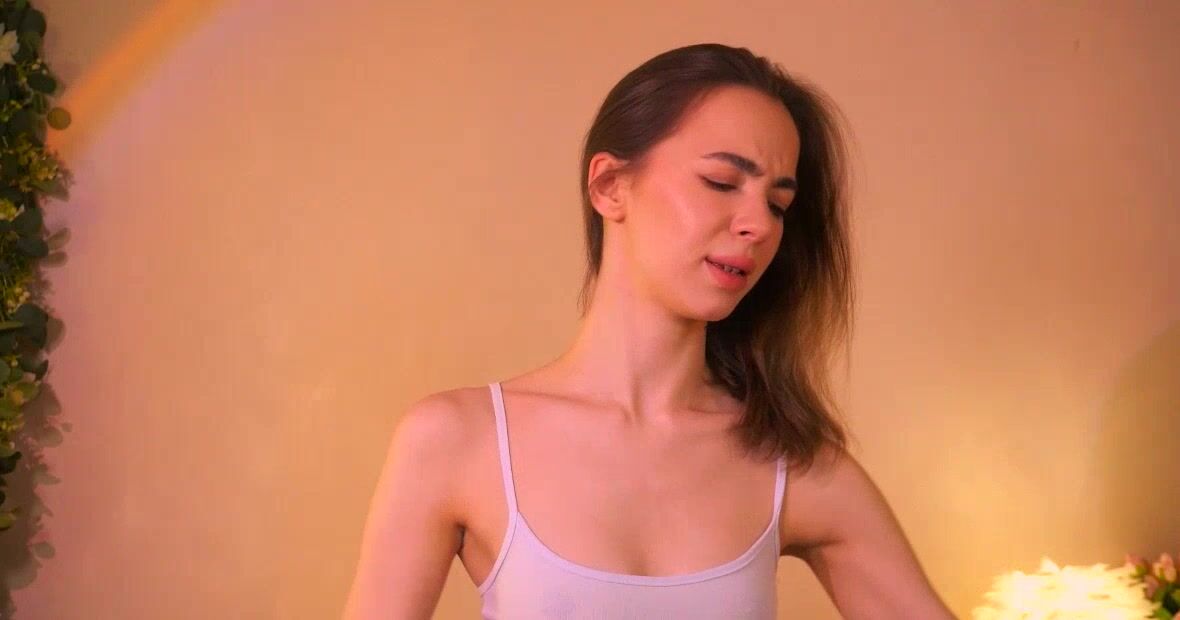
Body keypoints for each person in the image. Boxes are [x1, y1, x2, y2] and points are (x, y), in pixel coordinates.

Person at [343, 43, 955, 619]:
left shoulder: (790, 464)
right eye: (722, 183)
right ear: (610, 186)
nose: (759, 225)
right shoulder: (457, 440)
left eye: (778, 204)